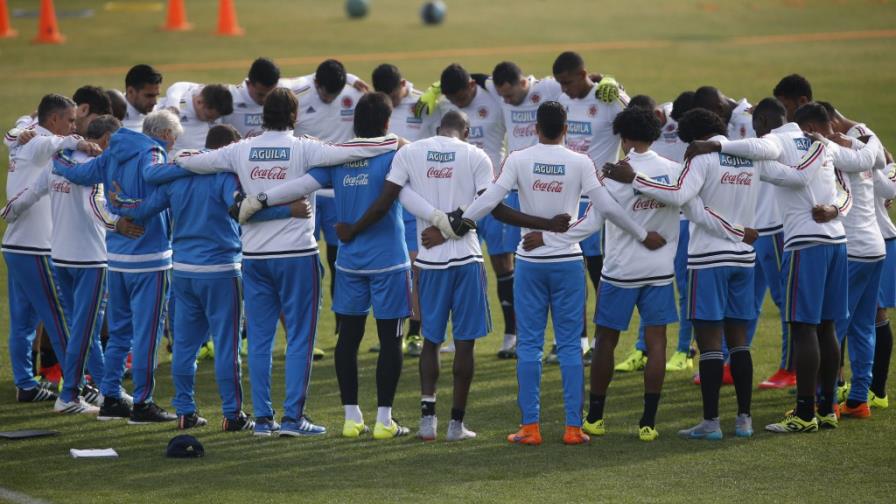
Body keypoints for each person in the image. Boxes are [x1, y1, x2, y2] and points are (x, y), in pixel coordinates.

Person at [324, 110, 571, 441]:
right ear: (466, 131)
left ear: (438, 128)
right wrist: (542, 224)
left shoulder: (411, 152)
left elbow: (394, 195)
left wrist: (439, 225)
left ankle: (428, 422)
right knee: (465, 344)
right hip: (467, 260)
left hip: (429, 262)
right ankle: (456, 425)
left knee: (431, 341)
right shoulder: (476, 155)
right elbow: (490, 205)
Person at [171, 88, 399, 437]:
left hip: (253, 257)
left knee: (260, 340)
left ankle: (263, 420)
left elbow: (192, 159)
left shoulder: (239, 149)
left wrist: (176, 156)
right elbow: (355, 149)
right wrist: (391, 142)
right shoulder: (305, 147)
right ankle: (293, 419)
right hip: (296, 256)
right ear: (294, 116)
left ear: (263, 114)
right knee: (300, 339)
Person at [463, 101, 662, 446]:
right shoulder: (580, 162)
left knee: (529, 344)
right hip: (569, 262)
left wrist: (462, 221)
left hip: (530, 262)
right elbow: (608, 208)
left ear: (535, 128)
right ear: (566, 128)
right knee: (571, 346)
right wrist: (643, 234)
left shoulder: (519, 159)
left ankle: (530, 427)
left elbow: (492, 199)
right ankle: (573, 428)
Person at [604, 107, 810, 440]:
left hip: (708, 259)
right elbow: (795, 177)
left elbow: (684, 198)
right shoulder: (748, 158)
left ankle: (711, 423)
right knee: (739, 343)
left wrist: (635, 180)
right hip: (744, 258)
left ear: (693, 139)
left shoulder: (701, 158)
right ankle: (744, 420)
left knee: (711, 344)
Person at [241, 93, 424, 440]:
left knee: (348, 338)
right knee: (390, 339)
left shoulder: (339, 156)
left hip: (350, 262)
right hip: (389, 261)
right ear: (386, 124)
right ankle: (385, 421)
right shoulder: (394, 153)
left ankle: (351, 418)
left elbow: (301, 185)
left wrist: (262, 199)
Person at [105, 124, 300, 432]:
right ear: (228, 149)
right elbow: (241, 211)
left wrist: (117, 203)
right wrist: (287, 210)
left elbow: (144, 208)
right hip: (221, 271)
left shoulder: (179, 176)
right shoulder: (224, 176)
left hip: (182, 272)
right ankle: (233, 415)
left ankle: (185, 411)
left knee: (184, 346)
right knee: (226, 346)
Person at [682, 99, 849, 433]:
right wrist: (834, 204)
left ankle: (796, 414)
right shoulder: (818, 144)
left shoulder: (770, 143)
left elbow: (680, 196)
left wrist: (714, 145)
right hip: (833, 241)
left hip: (785, 246)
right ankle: (821, 408)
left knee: (798, 328)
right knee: (825, 327)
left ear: (762, 122)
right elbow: (835, 174)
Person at [524, 107, 682, 441]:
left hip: (620, 272)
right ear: (654, 135)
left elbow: (590, 224)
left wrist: (547, 238)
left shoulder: (615, 174)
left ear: (624, 139)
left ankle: (595, 417)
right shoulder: (673, 172)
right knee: (657, 343)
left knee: (606, 342)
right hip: (659, 272)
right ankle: (648, 423)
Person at [52, 109, 183, 424]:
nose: (174, 145)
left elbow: (76, 173)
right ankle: (143, 403)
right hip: (150, 260)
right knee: (147, 334)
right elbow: (157, 188)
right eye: (174, 140)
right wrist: (133, 209)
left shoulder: (112, 153)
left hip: (117, 260)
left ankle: (110, 397)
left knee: (120, 333)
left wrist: (57, 152)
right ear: (165, 135)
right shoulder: (154, 153)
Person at [3, 115, 133, 414]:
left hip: (60, 257)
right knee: (84, 330)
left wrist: (8, 212)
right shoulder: (93, 166)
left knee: (78, 327)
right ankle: (71, 396)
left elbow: (30, 194)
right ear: (107, 141)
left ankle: (103, 390)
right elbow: (94, 209)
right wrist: (118, 224)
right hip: (89, 258)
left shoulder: (58, 162)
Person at [2, 94, 102, 403]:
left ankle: (26, 384)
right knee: (59, 319)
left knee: (23, 320)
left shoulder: (23, 136)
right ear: (54, 120)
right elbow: (55, 145)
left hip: (15, 244)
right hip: (36, 246)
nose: (74, 126)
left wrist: (22, 128)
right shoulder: (41, 143)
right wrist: (79, 143)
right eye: (70, 120)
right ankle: (79, 387)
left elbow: (13, 133)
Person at [801, 103, 886, 418]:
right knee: (864, 327)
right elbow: (875, 154)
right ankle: (859, 399)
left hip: (850, 249)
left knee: (832, 328)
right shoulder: (863, 149)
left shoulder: (831, 151)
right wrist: (849, 136)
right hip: (875, 248)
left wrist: (831, 140)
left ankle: (827, 400)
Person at [288, 59, 369, 360]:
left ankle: (341, 330)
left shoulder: (354, 90)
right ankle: (304, 335)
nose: (331, 100)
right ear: (317, 84)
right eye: (326, 95)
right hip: (308, 192)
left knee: (340, 263)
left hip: (342, 194)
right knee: (307, 265)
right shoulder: (298, 93)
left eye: (335, 96)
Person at [553, 51, 629, 361]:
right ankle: (577, 341)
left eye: (567, 81)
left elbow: (641, 120)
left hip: (597, 200)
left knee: (599, 274)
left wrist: (617, 86)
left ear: (583, 73)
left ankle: (601, 342)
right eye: (560, 83)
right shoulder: (565, 102)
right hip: (568, 199)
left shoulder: (609, 97)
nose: (565, 88)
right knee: (570, 274)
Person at [620, 91, 698, 373]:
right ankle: (642, 349)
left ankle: (684, 350)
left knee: (683, 288)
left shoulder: (681, 116)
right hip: (651, 216)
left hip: (682, 220)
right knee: (649, 283)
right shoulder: (641, 125)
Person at [371, 63, 438, 356]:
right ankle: (393, 333)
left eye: (393, 95)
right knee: (391, 268)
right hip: (385, 197)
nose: (392, 102)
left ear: (402, 84)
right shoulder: (375, 107)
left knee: (416, 267)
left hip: (415, 197)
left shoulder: (424, 104)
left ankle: (414, 334)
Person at [159, 82, 234, 150]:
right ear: (199, 102)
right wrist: (173, 104)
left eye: (216, 118)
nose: (212, 121)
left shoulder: (204, 92)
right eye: (209, 117)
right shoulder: (172, 111)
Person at [222, 57, 281, 138]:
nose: (265, 100)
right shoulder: (228, 99)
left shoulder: (282, 97)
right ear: (249, 83)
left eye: (270, 94)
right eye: (261, 94)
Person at [122, 64, 163, 132]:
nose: (154, 102)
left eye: (156, 95)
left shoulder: (159, 111)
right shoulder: (110, 113)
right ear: (130, 92)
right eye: (149, 96)